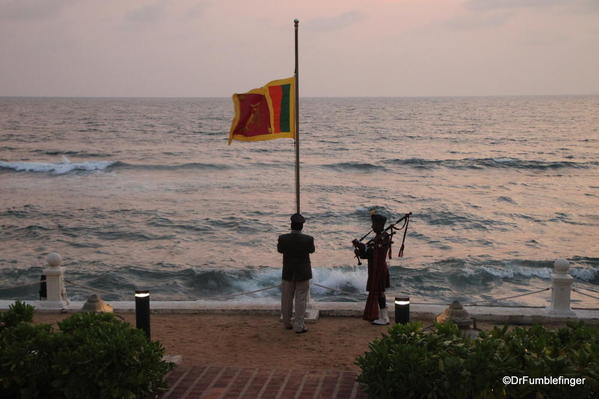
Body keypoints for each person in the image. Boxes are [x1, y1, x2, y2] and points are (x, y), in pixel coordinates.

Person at [277, 213, 315, 334]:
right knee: (301, 300)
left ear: (291, 225)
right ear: (302, 226)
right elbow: (312, 250)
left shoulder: (282, 238)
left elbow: (280, 250)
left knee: (286, 298)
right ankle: (299, 326)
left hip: (288, 272)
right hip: (303, 273)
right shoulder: (308, 239)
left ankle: (287, 323)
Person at [352, 213, 392, 325]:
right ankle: (384, 317)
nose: (372, 227)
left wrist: (363, 246)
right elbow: (369, 254)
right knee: (379, 293)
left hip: (379, 269)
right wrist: (360, 251)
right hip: (375, 269)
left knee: (379, 293)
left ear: (380, 225)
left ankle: (384, 318)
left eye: (374, 224)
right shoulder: (378, 238)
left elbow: (376, 252)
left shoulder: (384, 238)